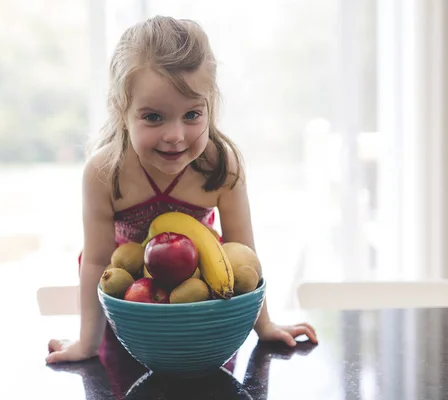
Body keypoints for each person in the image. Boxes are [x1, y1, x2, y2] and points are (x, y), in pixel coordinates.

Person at [46, 15, 318, 365]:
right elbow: (97, 261)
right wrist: (86, 343)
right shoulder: (104, 172)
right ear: (121, 110)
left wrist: (263, 325)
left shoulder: (220, 165)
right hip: (130, 311)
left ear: (210, 106)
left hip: (203, 307)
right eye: (154, 117)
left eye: (192, 115)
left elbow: (244, 254)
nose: (175, 135)